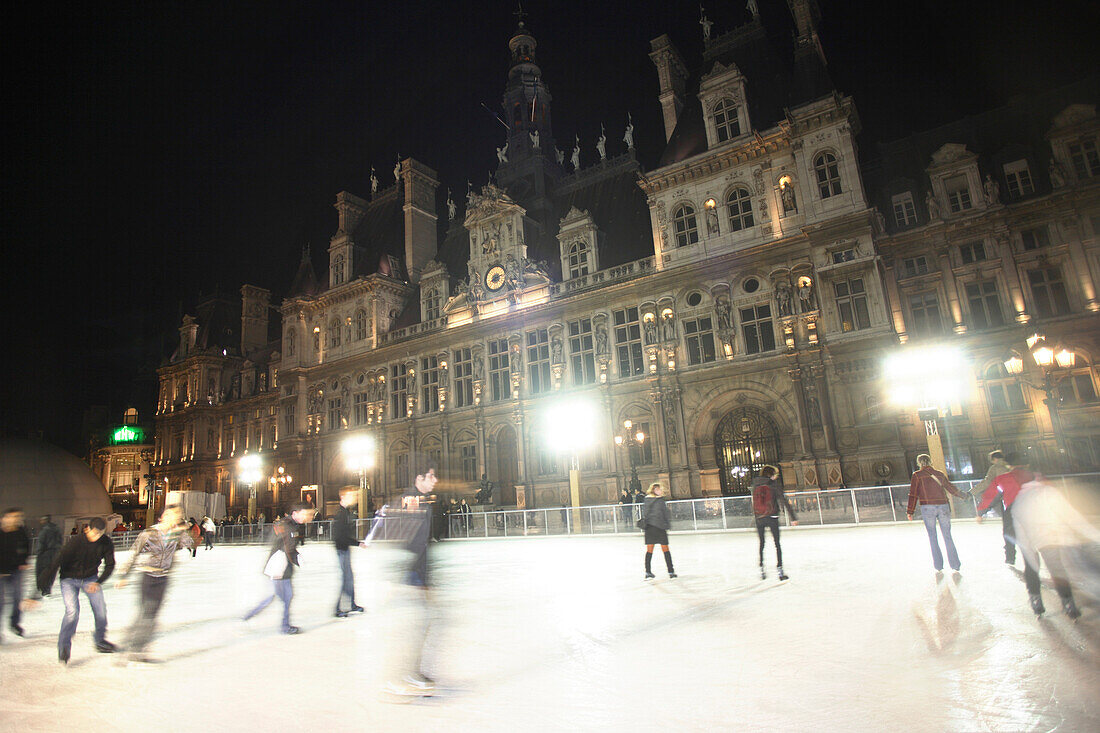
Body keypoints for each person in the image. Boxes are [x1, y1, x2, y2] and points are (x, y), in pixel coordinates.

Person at [976, 457, 1095, 619]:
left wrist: (981, 510)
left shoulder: (1004, 480)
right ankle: (1069, 604)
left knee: (1029, 564)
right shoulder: (1040, 483)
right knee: (1057, 568)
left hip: (1018, 517)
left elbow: (990, 495)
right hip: (1046, 528)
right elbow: (1062, 507)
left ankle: (1035, 601)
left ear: (1009, 465)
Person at [374, 461, 439, 700]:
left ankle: (409, 673)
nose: (435, 480)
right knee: (411, 628)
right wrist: (417, 579)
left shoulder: (420, 501)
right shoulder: (412, 501)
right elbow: (409, 541)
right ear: (418, 478)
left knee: (417, 626)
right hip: (409, 574)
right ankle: (399, 677)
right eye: (430, 476)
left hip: (412, 573)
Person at [115, 504, 194, 661]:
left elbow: (189, 544)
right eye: (172, 515)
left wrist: (181, 531)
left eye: (178, 516)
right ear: (164, 516)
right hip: (148, 576)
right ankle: (132, 647)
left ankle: (134, 647)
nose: (175, 519)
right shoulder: (149, 533)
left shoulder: (176, 534)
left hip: (163, 578)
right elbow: (134, 553)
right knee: (146, 613)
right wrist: (123, 575)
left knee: (151, 616)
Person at [41, 516, 117, 663]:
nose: (97, 538)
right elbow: (57, 561)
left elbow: (110, 565)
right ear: (87, 529)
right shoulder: (75, 542)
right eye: (94, 534)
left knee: (100, 609)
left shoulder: (106, 543)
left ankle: (100, 640)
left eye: (100, 534)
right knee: (72, 612)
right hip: (69, 579)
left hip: (90, 579)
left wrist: (99, 582)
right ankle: (64, 646)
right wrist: (45, 583)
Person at [243, 502, 313, 634]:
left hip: (281, 567)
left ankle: (249, 617)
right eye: (303, 514)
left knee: (283, 597)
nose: (306, 517)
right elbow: (288, 548)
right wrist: (298, 559)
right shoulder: (288, 526)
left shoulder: (291, 525)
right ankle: (283, 626)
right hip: (279, 568)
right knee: (280, 597)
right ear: (295, 513)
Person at [906, 454, 968, 576]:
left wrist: (910, 511)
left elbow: (913, 494)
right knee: (947, 536)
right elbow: (950, 488)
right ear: (931, 461)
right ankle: (955, 564)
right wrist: (963, 495)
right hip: (943, 506)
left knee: (932, 537)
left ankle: (938, 565)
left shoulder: (917, 475)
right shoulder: (939, 474)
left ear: (919, 463)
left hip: (927, 507)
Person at [750, 466, 798, 580]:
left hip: (759, 518)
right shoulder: (773, 485)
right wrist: (793, 517)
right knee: (777, 544)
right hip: (772, 516)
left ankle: (762, 569)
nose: (776, 476)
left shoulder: (755, 484)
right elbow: (783, 500)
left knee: (762, 543)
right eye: (775, 474)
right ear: (771, 475)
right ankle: (780, 571)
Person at [971, 450, 1014, 564]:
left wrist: (972, 492)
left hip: (1003, 500)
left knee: (1008, 528)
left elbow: (987, 483)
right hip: (1017, 499)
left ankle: (1010, 556)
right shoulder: (1010, 466)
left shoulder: (994, 469)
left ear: (994, 459)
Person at [333, 486, 365, 618]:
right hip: (342, 550)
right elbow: (340, 536)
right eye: (352, 495)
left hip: (344, 549)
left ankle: (351, 604)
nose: (355, 498)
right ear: (343, 497)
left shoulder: (346, 512)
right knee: (346, 579)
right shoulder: (341, 514)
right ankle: (338, 609)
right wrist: (357, 543)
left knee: (349, 579)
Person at [1, 508, 32, 639]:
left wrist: (24, 560)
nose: (16, 520)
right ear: (5, 518)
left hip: (15, 571)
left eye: (18, 517)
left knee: (17, 598)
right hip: (0, 572)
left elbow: (26, 546)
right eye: (13, 517)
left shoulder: (20, 531)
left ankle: (15, 624)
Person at [641, 483, 676, 580]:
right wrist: (667, 524)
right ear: (655, 490)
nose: (661, 491)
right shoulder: (660, 500)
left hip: (650, 528)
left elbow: (646, 513)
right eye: (659, 489)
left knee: (649, 550)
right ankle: (671, 571)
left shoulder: (647, 500)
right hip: (660, 527)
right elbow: (664, 513)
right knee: (665, 549)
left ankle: (648, 571)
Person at [35, 514, 64, 596]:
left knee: (42, 571)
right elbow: (60, 541)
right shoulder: (57, 529)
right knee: (52, 571)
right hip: (55, 554)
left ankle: (43, 588)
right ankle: (48, 588)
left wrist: (39, 553)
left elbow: (41, 544)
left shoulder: (44, 531)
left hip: (45, 554)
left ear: (45, 520)